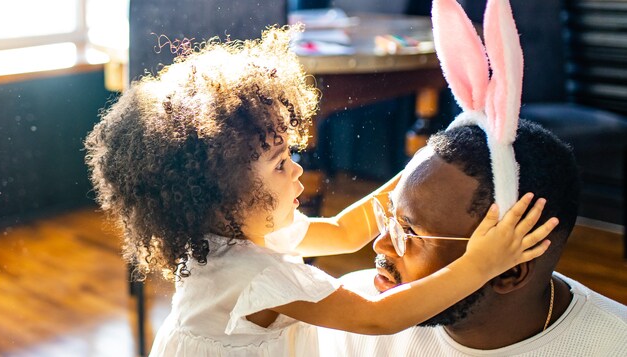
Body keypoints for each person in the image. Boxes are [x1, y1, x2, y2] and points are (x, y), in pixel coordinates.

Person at [84, 26, 555, 356]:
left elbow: (347, 231)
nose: (298, 170)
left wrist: (427, 159)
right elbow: (378, 318)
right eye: (280, 164)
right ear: (225, 195)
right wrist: (482, 263)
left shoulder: (249, 230)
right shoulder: (249, 274)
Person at [318, 0, 627, 354]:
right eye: (389, 220)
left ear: (510, 272)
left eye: (411, 233)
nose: (380, 246)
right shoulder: (351, 322)